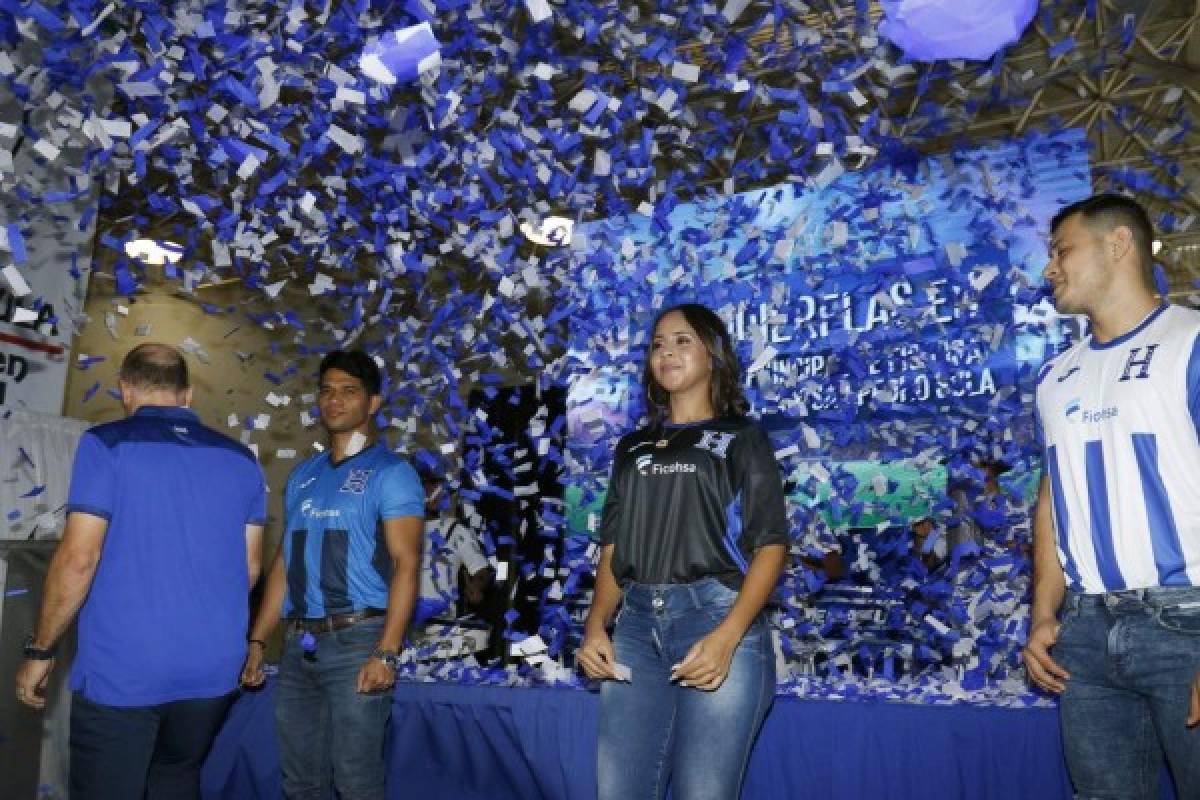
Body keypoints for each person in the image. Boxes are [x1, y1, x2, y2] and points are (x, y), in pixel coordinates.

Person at [14, 343, 266, 799]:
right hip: (211, 669)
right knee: (175, 778)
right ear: (187, 395)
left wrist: (40, 649)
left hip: (125, 669)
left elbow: (78, 559)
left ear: (125, 390)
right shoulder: (241, 459)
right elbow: (249, 569)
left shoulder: (106, 444)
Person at [1022, 193, 1200, 798]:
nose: (1050, 268)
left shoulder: (1192, 341)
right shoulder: (1054, 376)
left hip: (1189, 621)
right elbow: (1053, 500)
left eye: (1061, 251)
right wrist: (1045, 613)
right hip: (1086, 633)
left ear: (1118, 243)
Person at [576, 303, 789, 799]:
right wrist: (594, 627)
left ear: (713, 355)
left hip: (714, 619)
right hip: (633, 631)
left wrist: (727, 637)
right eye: (657, 344)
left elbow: (771, 546)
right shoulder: (631, 447)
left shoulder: (743, 438)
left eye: (682, 340)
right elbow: (613, 546)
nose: (666, 351)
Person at [241, 349, 423, 800]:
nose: (334, 400)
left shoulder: (392, 473)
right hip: (299, 647)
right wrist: (258, 641)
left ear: (373, 403)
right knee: (301, 782)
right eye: (326, 390)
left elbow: (407, 564)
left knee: (356, 781)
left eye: (349, 391)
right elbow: (285, 562)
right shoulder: (304, 474)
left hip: (360, 640)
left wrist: (388, 652)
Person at [414, 472, 493, 628]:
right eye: (427, 484)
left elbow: (481, 571)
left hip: (440, 622)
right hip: (401, 619)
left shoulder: (455, 529)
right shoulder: (397, 529)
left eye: (437, 485)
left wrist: (477, 586)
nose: (433, 490)